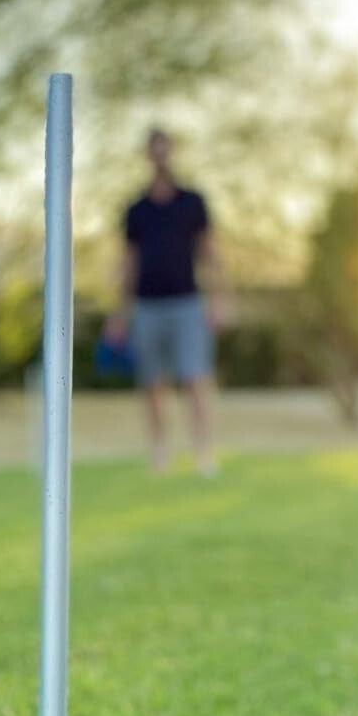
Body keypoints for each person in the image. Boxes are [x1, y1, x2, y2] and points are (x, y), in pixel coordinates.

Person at [106, 128, 227, 473]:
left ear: (171, 153)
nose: (160, 156)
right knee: (153, 384)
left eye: (165, 149)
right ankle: (160, 453)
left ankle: (204, 453)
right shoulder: (137, 209)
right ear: (147, 155)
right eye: (154, 150)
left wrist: (219, 298)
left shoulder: (192, 202)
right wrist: (118, 314)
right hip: (147, 306)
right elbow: (128, 264)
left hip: (187, 303)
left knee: (195, 378)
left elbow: (210, 252)